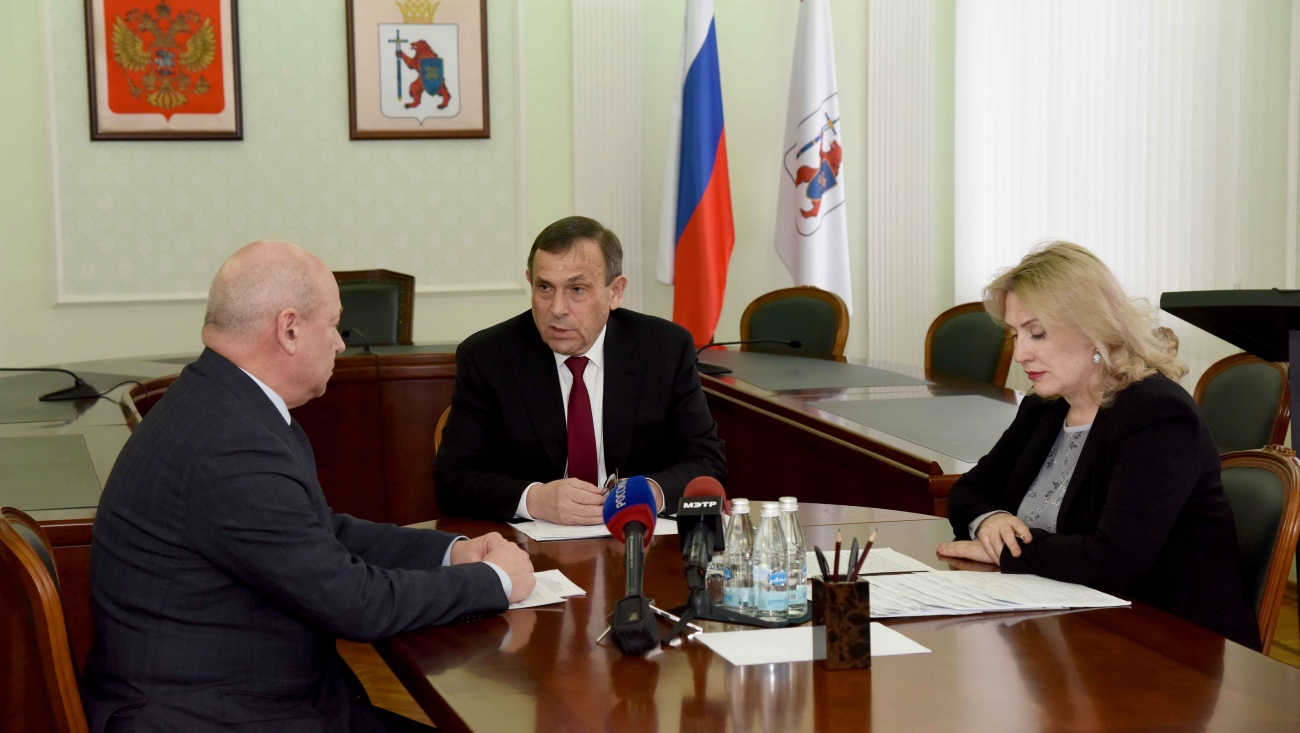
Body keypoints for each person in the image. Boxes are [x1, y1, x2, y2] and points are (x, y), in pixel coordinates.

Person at [81, 240, 536, 733]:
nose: (340, 343)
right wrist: (494, 581)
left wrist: (451, 553)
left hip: (248, 695)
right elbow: (354, 603)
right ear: (290, 329)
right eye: (334, 324)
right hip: (212, 716)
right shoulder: (233, 443)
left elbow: (318, 534)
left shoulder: (217, 402)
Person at [936, 241, 1260, 650]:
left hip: (1165, 642)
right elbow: (969, 490)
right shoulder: (1045, 407)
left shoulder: (1157, 416)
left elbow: (1116, 559)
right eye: (1015, 335)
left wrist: (1008, 553)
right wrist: (992, 521)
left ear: (1094, 329)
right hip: (1066, 624)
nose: (1020, 354)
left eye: (1037, 333)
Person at [435, 215, 727, 524]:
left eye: (577, 289)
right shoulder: (488, 357)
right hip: (531, 541)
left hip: (634, 535)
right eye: (544, 287)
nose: (557, 309)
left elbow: (708, 461)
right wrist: (534, 499)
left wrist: (651, 493)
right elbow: (452, 479)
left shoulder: (664, 350)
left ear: (615, 292)